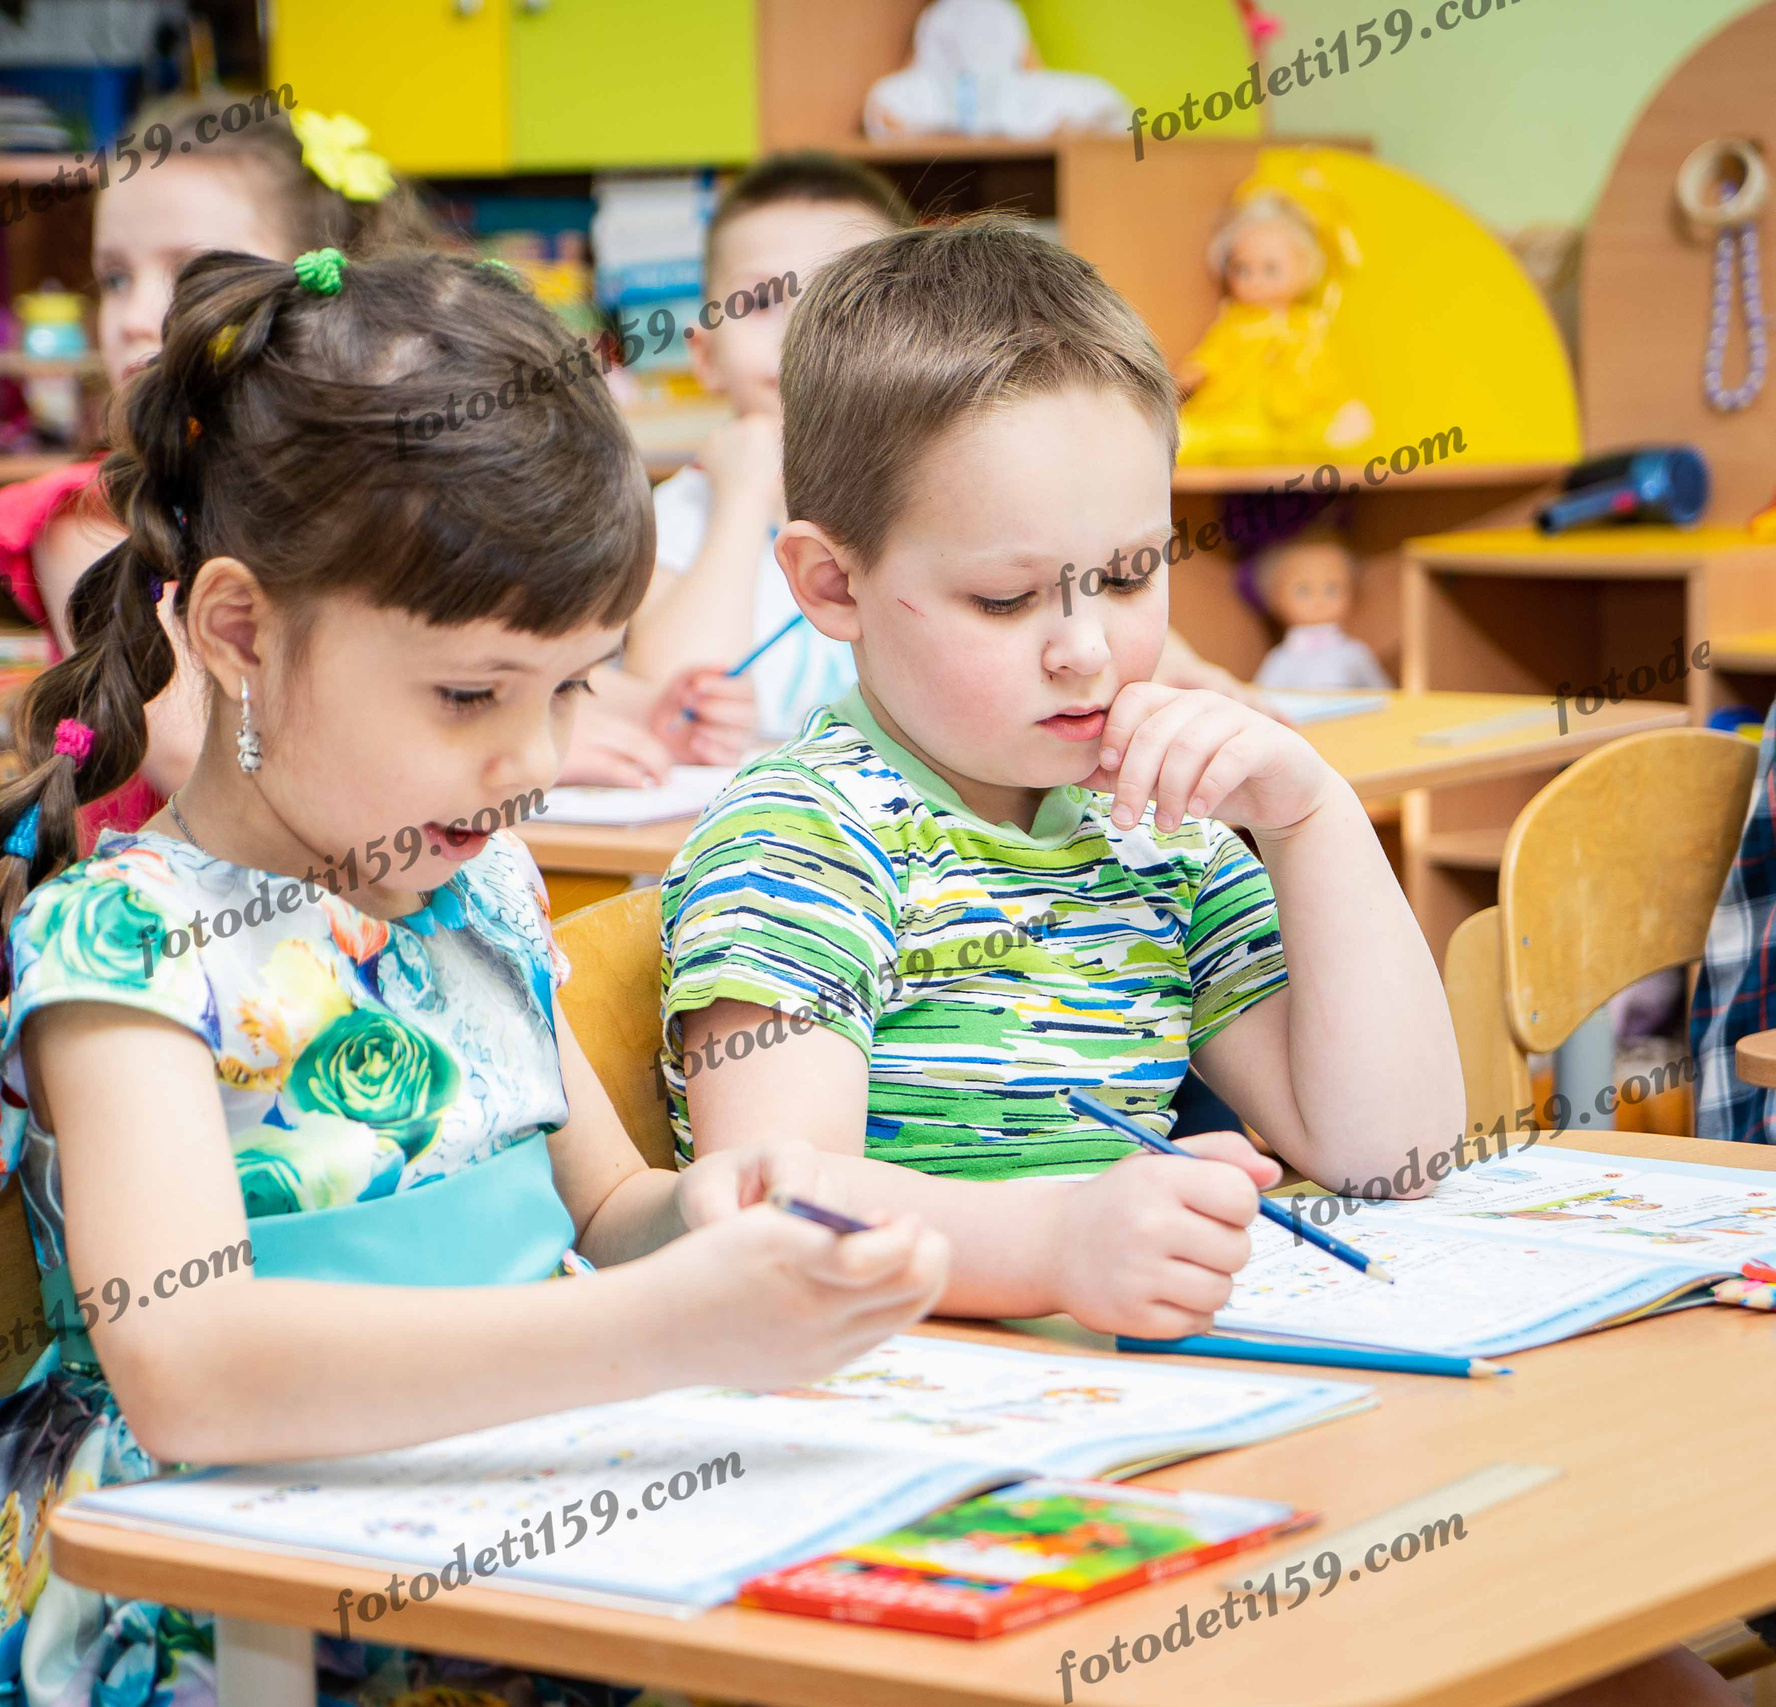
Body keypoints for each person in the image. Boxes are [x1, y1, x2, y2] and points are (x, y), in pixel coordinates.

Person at [0, 246, 948, 1704]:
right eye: (470, 694)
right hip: (224, 1601)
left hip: (509, 1530)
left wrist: (717, 1213)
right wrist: (659, 1324)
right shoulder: (126, 947)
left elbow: (610, 1206)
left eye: (572, 685)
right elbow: (192, 1363)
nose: (534, 761)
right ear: (242, 631)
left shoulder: (480, 885)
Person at [662, 229, 1739, 1707]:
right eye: (1007, 599)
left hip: (1177, 1416)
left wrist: (1309, 821)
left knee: (1634, 1664)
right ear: (830, 585)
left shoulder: (1144, 820)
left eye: (1125, 572)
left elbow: (1393, 1148)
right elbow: (779, 1210)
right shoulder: (800, 838)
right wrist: (1053, 1245)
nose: (1087, 649)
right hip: (928, 1476)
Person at [0, 91, 750, 822]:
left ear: (318, 281)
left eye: (188, 271)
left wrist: (646, 707)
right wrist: (537, 753)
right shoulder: (92, 516)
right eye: (114, 277)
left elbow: (482, 651)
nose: (136, 315)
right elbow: (179, 741)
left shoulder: (369, 486)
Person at [625, 154, 1270, 740]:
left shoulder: (999, 498)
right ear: (703, 354)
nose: (803, 329)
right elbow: (671, 695)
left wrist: (1189, 681)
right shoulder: (682, 518)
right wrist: (741, 499)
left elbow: (1083, 594)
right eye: (764, 299)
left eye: (845, 298)